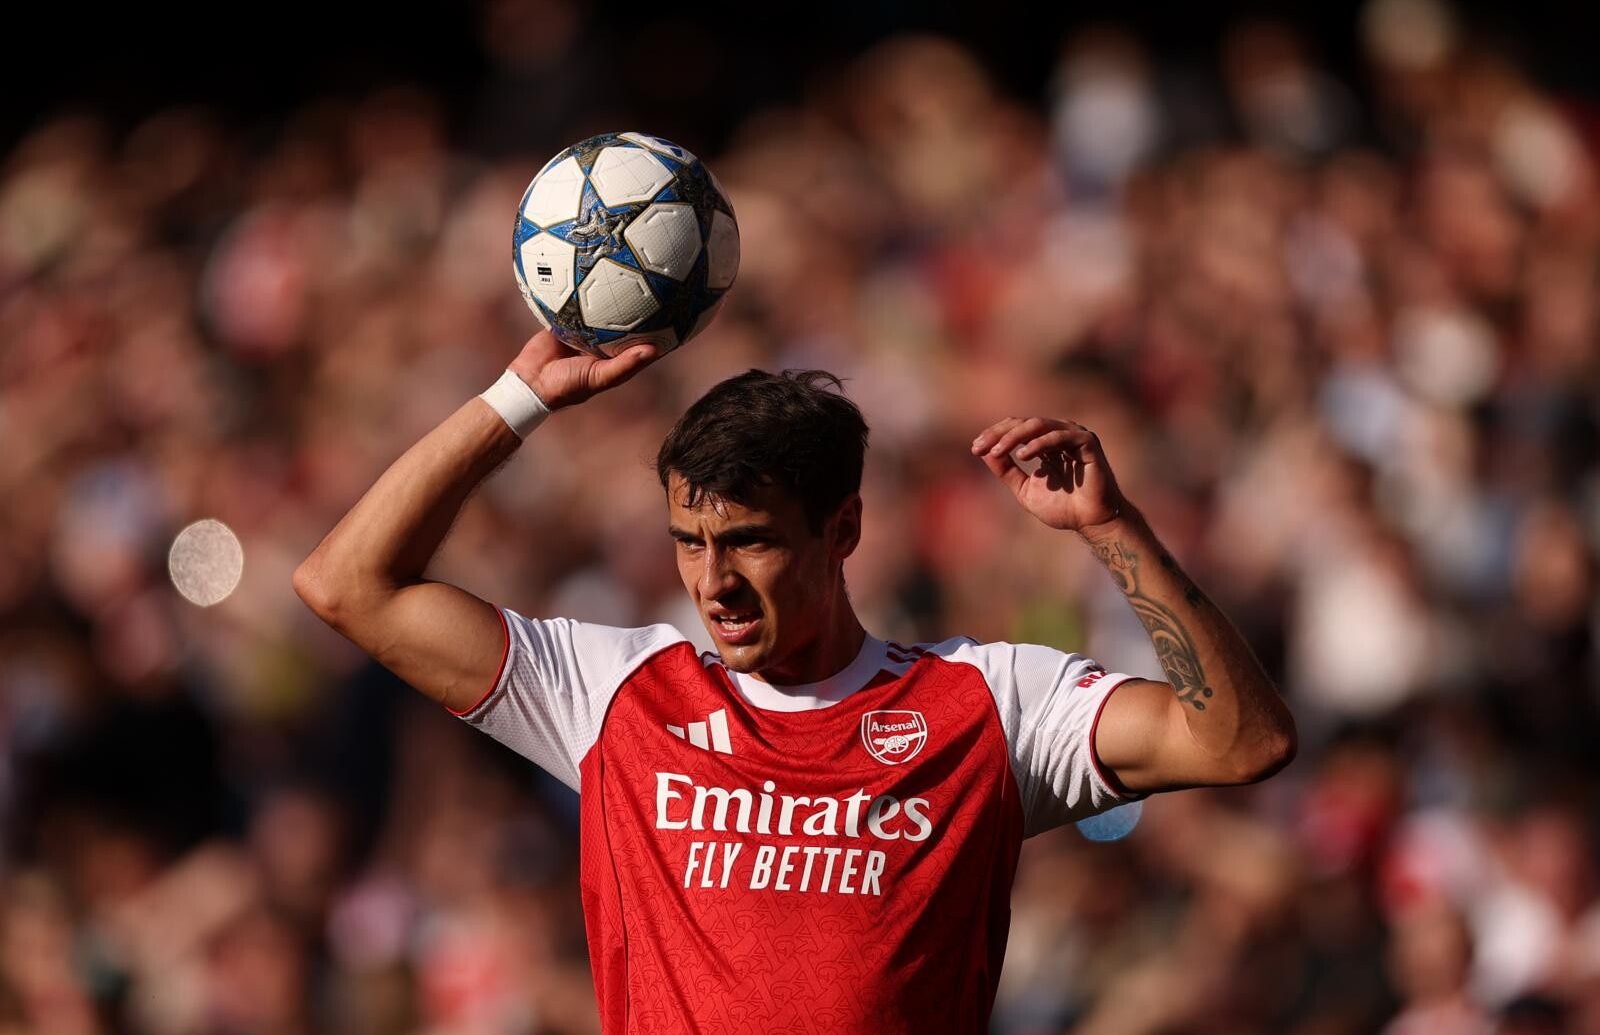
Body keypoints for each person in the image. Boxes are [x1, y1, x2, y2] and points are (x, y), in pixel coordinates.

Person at [293, 330, 1297, 1032]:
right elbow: (345, 584)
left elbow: (1243, 742)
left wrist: (1113, 530)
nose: (713, 582)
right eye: (689, 541)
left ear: (843, 529)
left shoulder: (987, 704)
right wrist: (518, 400)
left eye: (750, 541)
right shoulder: (615, 696)